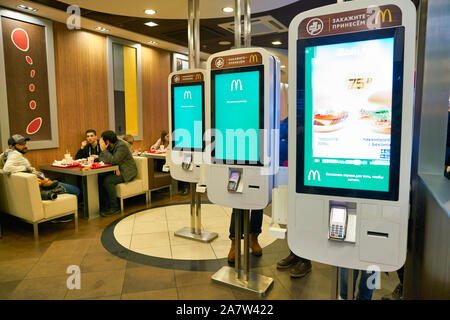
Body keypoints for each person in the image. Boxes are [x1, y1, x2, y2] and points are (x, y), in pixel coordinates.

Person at [276, 117, 313, 277]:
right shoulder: (288, 120)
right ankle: (295, 252)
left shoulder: (309, 117)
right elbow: (280, 137)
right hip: (288, 174)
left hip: (306, 177)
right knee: (291, 217)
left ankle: (305, 260)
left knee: (304, 218)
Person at [2, 134, 80, 197]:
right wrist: (27, 168)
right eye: (21, 144)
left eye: (25, 143)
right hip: (41, 184)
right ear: (11, 147)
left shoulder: (6, 154)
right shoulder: (15, 154)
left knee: (59, 179)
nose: (25, 146)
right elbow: (7, 168)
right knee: (76, 190)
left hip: (40, 181)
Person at [98, 130, 137, 217]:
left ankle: (114, 207)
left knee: (108, 180)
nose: (100, 143)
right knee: (100, 177)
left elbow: (114, 160)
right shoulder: (110, 146)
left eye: (101, 141)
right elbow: (102, 158)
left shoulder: (122, 145)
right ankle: (105, 204)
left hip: (127, 171)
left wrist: (104, 150)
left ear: (107, 142)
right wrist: (115, 165)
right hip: (117, 169)